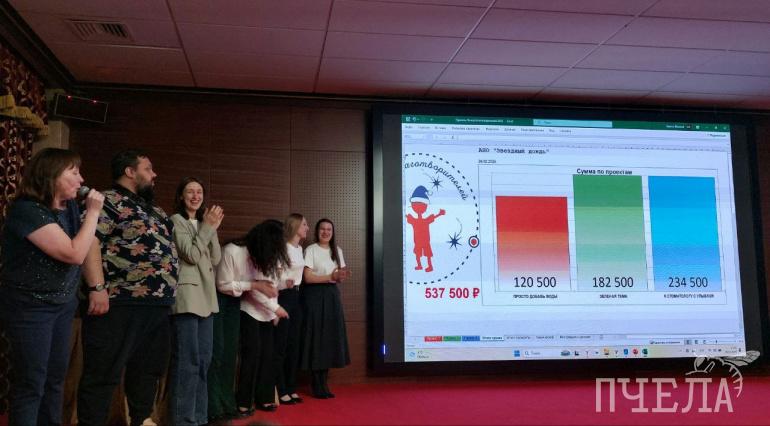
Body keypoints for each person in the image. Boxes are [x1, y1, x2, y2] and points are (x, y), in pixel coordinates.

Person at [0, 148, 104, 426]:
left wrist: (97, 286)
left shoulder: (70, 207)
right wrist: (93, 213)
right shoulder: (28, 210)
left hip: (62, 304)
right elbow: (73, 253)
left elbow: (88, 244)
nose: (81, 179)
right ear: (52, 175)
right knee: (31, 382)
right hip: (30, 307)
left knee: (55, 379)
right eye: (74, 172)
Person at [77, 149, 178, 426]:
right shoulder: (107, 200)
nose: (154, 174)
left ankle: (141, 420)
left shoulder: (156, 210)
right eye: (148, 169)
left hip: (157, 306)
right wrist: (96, 287)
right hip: (118, 302)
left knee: (147, 372)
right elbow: (90, 241)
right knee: (102, 373)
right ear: (130, 172)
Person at [215, 222, 287, 417]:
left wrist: (273, 311)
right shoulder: (233, 251)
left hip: (264, 310)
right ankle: (243, 402)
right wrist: (274, 307)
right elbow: (225, 285)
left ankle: (264, 397)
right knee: (251, 355)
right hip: (237, 305)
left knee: (268, 355)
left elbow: (269, 287)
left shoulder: (265, 255)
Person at [168, 177, 223, 425]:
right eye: (190, 191)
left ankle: (199, 418)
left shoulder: (204, 223)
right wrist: (207, 229)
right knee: (187, 362)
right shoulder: (175, 221)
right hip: (187, 298)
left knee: (203, 362)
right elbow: (190, 255)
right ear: (181, 196)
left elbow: (215, 258)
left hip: (207, 299)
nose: (195, 196)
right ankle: (183, 420)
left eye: (199, 191)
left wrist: (210, 228)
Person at [301, 218, 351, 399]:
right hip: (314, 296)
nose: (326, 232)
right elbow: (307, 278)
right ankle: (316, 384)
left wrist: (341, 276)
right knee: (317, 339)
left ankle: (324, 383)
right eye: (322, 229)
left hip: (332, 296)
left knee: (329, 339)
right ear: (317, 231)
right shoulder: (311, 249)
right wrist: (330, 276)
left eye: (329, 229)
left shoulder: (337, 250)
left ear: (333, 232)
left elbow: (340, 275)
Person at [274, 213, 309, 405]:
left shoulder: (300, 249)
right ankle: (280, 388)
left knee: (294, 343)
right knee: (282, 344)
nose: (307, 228)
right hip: (283, 296)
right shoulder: (282, 247)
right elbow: (274, 275)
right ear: (295, 226)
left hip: (296, 296)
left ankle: (291, 386)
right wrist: (283, 283)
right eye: (304, 224)